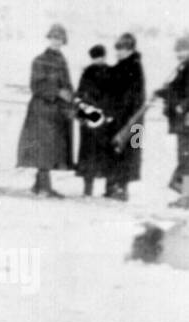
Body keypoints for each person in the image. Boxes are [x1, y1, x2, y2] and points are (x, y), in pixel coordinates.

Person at [18, 23, 75, 198]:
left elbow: (67, 84)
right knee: (45, 148)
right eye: (54, 38)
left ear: (63, 41)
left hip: (56, 111)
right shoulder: (39, 60)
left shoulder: (62, 60)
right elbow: (36, 85)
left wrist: (70, 97)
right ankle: (44, 187)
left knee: (52, 149)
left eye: (60, 39)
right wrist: (57, 92)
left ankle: (39, 184)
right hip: (41, 110)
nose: (56, 41)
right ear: (49, 38)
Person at [105, 33, 146, 201]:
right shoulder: (122, 66)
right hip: (129, 118)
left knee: (128, 152)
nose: (118, 52)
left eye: (122, 49)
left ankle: (121, 188)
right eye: (118, 49)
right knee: (121, 151)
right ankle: (114, 186)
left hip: (131, 118)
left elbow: (129, 96)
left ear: (130, 49)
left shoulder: (133, 68)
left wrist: (117, 113)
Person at [154, 35, 189, 208]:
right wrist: (161, 92)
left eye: (184, 50)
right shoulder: (182, 68)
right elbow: (174, 87)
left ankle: (186, 198)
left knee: (186, 158)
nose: (180, 54)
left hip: (187, 120)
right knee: (184, 157)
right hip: (182, 122)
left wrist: (182, 106)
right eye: (178, 51)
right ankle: (185, 196)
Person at [75, 44, 113, 197]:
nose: (98, 60)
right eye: (95, 58)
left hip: (102, 118)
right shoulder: (87, 72)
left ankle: (107, 187)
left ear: (104, 56)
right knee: (88, 153)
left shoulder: (110, 72)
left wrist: (108, 113)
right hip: (90, 116)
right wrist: (83, 113)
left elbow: (112, 95)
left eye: (100, 57)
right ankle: (88, 187)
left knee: (103, 152)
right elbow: (80, 94)